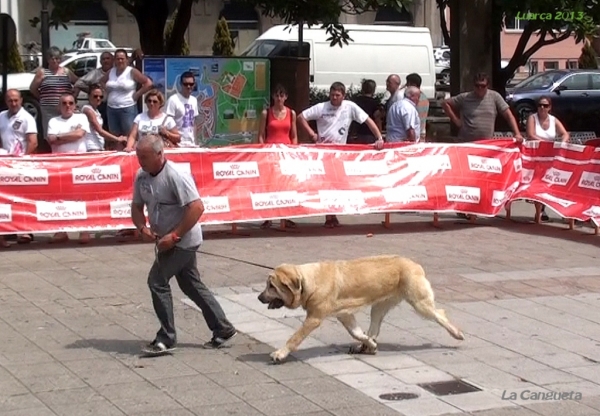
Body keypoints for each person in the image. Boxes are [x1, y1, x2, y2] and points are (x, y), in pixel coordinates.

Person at [131, 134, 237, 355]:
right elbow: (136, 207)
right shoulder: (141, 177)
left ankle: (166, 338)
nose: (140, 161)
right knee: (190, 284)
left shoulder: (176, 175)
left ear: (160, 155)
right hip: (164, 240)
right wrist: (142, 228)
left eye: (145, 157)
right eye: (138, 156)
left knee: (157, 281)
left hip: (183, 240)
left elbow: (196, 207)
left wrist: (175, 236)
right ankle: (222, 327)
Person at [297, 81, 384, 228]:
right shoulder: (322, 107)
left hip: (339, 154)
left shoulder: (350, 107)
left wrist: (379, 138)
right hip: (323, 153)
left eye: (337, 95)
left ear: (343, 96)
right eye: (332, 95)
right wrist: (312, 134)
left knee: (336, 185)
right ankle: (328, 216)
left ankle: (333, 214)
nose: (334, 98)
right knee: (325, 186)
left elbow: (368, 120)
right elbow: (301, 117)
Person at [46, 93, 91, 244]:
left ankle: (84, 231)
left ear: (75, 105)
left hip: (79, 165)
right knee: (60, 198)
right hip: (59, 165)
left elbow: (80, 134)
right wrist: (68, 136)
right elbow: (51, 139)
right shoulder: (53, 121)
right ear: (59, 106)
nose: (67, 106)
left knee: (81, 198)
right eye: (64, 103)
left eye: (70, 103)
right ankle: (61, 230)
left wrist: (60, 137)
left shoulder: (81, 118)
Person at [257, 84, 298, 229]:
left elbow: (293, 135)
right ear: (273, 97)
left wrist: (293, 151)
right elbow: (261, 135)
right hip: (270, 153)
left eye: (282, 95)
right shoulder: (266, 113)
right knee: (270, 185)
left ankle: (285, 217)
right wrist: (263, 152)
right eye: (276, 95)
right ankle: (268, 217)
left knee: (285, 185)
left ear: (286, 97)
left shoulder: (291, 113)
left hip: (286, 154)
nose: (279, 98)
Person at [0, 89, 38, 247]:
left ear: (21, 100)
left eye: (16, 100)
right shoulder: (1, 116)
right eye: (10, 100)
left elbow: (33, 142)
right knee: (7, 199)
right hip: (5, 164)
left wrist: (21, 159)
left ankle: (26, 231)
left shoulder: (27, 118)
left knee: (23, 199)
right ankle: (9, 230)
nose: (13, 103)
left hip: (22, 164)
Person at [442, 72, 523, 143]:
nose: (480, 88)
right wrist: (456, 120)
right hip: (466, 142)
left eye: (482, 86)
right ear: (473, 86)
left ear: (487, 86)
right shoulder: (465, 97)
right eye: (477, 86)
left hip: (486, 143)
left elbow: (509, 115)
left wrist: (517, 134)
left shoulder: (495, 96)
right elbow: (445, 103)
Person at [526, 96, 570, 222]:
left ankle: (549, 209)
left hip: (550, 157)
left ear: (549, 107)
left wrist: (562, 143)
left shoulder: (553, 120)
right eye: (540, 105)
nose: (542, 108)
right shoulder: (532, 118)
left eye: (545, 105)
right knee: (538, 184)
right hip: (535, 156)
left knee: (550, 184)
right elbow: (530, 135)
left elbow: (565, 133)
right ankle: (539, 212)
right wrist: (547, 144)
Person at [102, 49, 152, 150]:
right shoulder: (111, 72)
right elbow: (101, 82)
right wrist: (106, 91)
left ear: (126, 59)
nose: (120, 61)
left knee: (130, 136)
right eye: (117, 59)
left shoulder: (131, 71)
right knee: (115, 137)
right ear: (114, 60)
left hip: (127, 108)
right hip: (111, 108)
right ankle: (118, 157)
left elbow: (148, 83)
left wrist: (137, 95)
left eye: (122, 59)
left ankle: (131, 156)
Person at [29, 46, 79, 146]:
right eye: (52, 58)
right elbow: (33, 88)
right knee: (50, 134)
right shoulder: (42, 72)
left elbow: (78, 83)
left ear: (60, 59)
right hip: (48, 108)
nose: (54, 60)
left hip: (65, 107)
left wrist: (73, 97)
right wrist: (42, 98)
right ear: (48, 59)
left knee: (64, 130)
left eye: (57, 58)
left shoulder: (66, 72)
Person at [81, 84, 128, 151]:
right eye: (95, 96)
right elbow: (99, 130)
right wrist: (117, 139)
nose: (98, 98)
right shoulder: (87, 110)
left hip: (99, 145)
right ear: (89, 96)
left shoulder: (97, 111)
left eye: (101, 96)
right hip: (91, 146)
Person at [74, 52, 114, 131]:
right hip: (100, 104)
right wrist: (92, 90)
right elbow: (79, 83)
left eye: (108, 58)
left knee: (113, 130)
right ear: (100, 62)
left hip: (115, 104)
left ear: (112, 60)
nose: (106, 61)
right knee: (101, 128)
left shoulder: (117, 72)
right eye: (103, 59)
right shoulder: (95, 73)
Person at [165, 71, 200, 148]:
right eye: (185, 84)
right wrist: (172, 144)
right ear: (181, 84)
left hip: (191, 144)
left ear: (194, 85)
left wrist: (196, 142)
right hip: (178, 145)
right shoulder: (173, 100)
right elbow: (167, 123)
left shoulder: (194, 100)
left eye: (191, 84)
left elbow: (194, 124)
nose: (188, 86)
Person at [349, 79, 383, 144]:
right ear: (373, 90)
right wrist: (379, 135)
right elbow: (377, 119)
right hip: (370, 134)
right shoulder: (374, 103)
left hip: (356, 133)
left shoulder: (356, 101)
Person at [404, 73, 430, 142]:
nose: (406, 85)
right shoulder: (424, 97)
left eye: (408, 83)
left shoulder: (414, 99)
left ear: (414, 85)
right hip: (422, 131)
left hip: (415, 134)